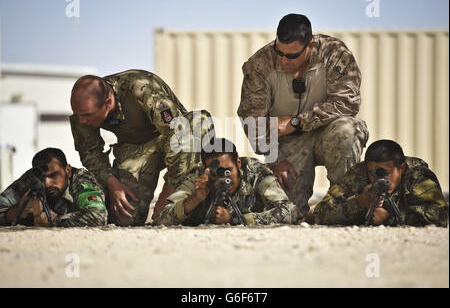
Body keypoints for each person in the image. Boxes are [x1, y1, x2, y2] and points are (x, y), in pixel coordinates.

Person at [237, 13, 369, 221]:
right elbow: (252, 120)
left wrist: (297, 122)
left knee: (348, 130)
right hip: (288, 144)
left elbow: (346, 103)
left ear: (310, 45)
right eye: (279, 52)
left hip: (330, 133)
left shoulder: (334, 54)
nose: (283, 60)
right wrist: (274, 159)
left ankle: (344, 204)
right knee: (288, 213)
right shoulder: (260, 65)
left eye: (292, 56)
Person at [70, 69, 213, 226]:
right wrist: (112, 183)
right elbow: (89, 151)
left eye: (87, 115)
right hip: (137, 148)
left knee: (198, 122)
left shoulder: (141, 88)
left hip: (176, 142)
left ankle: (185, 202)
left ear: (108, 103)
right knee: (124, 217)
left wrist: (169, 189)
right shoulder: (84, 109)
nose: (82, 121)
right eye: (78, 115)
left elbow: (175, 132)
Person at [152, 138, 294, 226]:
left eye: (228, 171)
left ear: (238, 162)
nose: (223, 178)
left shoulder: (255, 172)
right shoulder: (198, 176)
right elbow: (162, 218)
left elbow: (289, 211)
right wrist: (195, 198)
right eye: (216, 173)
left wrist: (236, 219)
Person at [306, 140, 449, 226]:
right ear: (366, 168)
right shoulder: (357, 174)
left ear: (402, 168)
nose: (378, 179)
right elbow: (319, 214)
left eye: (385, 173)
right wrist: (358, 203)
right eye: (372, 173)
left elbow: (442, 216)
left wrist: (389, 218)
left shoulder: (416, 176)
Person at [0, 148, 107, 227]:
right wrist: (18, 212)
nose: (47, 183)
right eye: (42, 177)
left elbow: (97, 216)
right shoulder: (31, 178)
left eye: (53, 175)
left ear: (68, 171)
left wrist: (55, 220)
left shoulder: (81, 179)